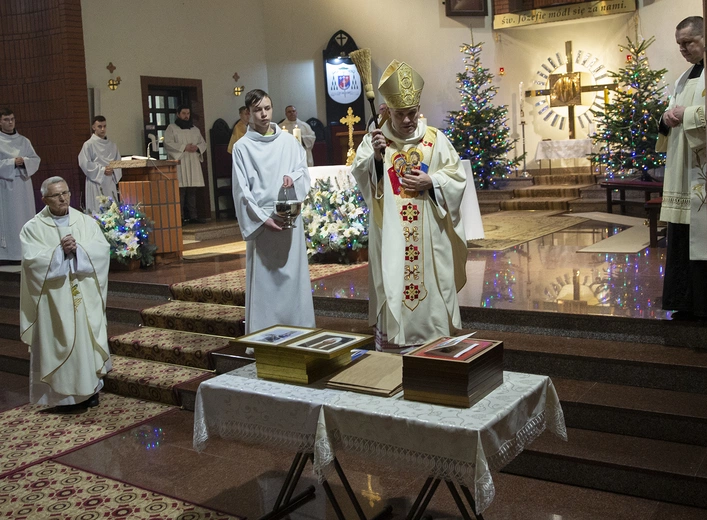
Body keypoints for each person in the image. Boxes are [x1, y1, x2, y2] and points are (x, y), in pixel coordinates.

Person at [351, 60, 467, 352]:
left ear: (418, 109)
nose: (407, 121)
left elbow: (456, 177)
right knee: (394, 278)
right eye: (400, 114)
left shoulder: (436, 140)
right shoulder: (375, 142)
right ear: (387, 111)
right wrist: (377, 160)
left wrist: (433, 182)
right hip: (391, 232)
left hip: (429, 233)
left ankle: (435, 338)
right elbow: (365, 182)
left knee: (431, 281)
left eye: (411, 113)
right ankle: (395, 342)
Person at [20, 176, 112, 413]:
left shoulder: (85, 222)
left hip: (83, 294)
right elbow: (32, 262)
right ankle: (62, 398)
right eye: (56, 195)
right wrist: (58, 252)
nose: (62, 198)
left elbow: (101, 250)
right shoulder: (32, 228)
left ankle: (91, 391)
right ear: (44, 199)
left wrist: (78, 250)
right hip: (53, 299)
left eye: (66, 193)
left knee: (85, 342)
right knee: (57, 343)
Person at [232, 89, 315, 336]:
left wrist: (293, 178)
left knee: (293, 281)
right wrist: (262, 219)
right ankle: (265, 335)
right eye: (258, 110)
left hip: (288, 220)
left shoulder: (289, 142)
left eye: (267, 108)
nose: (264, 114)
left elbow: (303, 172)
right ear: (248, 113)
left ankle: (298, 331)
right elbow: (242, 190)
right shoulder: (242, 147)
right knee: (266, 285)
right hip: (263, 223)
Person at [657, 16, 707, 320]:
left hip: (701, 172)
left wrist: (685, 113)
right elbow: (671, 109)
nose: (683, 49)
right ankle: (684, 301)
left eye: (688, 42)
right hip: (681, 171)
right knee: (682, 237)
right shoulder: (684, 76)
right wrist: (666, 118)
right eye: (679, 44)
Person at [0, 108, 41, 264]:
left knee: (25, 218)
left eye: (12, 119)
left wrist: (24, 162)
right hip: (5, 186)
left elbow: (35, 159)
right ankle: (8, 254)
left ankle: (25, 251)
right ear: (0, 121)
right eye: (6, 119)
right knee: (8, 220)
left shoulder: (24, 141)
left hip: (23, 184)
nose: (10, 122)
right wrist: (11, 162)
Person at [164, 105, 207, 224]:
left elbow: (203, 143)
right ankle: (180, 217)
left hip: (192, 161)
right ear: (178, 114)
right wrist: (184, 147)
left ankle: (193, 216)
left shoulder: (195, 129)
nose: (186, 116)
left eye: (188, 113)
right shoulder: (171, 128)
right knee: (180, 191)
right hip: (180, 162)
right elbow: (168, 144)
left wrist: (197, 147)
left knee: (192, 191)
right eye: (183, 113)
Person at [79, 115, 122, 212]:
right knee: (97, 209)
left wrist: (114, 170)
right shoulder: (88, 145)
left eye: (104, 126)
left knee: (112, 209)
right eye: (99, 126)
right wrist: (102, 170)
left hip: (110, 181)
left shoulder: (112, 145)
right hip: (96, 181)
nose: (103, 129)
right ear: (93, 127)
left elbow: (118, 162)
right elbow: (84, 163)